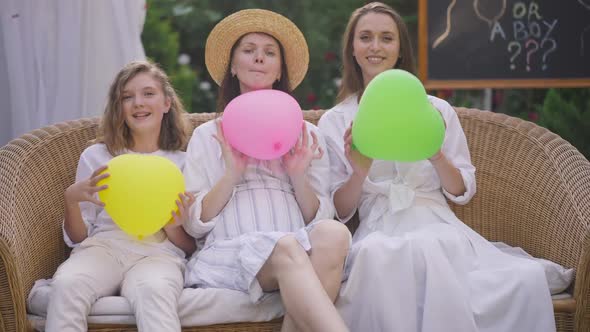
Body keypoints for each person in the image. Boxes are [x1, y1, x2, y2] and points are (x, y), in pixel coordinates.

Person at [318, 2, 556, 331]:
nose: (376, 47)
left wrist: (435, 153)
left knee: (521, 278)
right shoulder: (336, 121)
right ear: (352, 49)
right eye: (366, 37)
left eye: (387, 38)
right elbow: (340, 210)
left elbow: (461, 192)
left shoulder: (436, 111)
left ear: (400, 49)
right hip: (378, 226)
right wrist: (359, 169)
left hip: (436, 220)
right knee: (382, 255)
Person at [182, 9, 350, 332]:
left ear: (279, 71)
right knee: (286, 247)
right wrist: (231, 173)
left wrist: (298, 175)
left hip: (294, 244)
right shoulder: (208, 135)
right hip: (231, 252)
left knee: (335, 233)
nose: (259, 58)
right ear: (232, 67)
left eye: (269, 53)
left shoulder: (306, 134)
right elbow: (193, 223)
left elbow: (321, 217)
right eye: (248, 50)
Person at [45, 60, 196, 332]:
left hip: (158, 254)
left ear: (167, 103)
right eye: (127, 97)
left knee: (155, 292)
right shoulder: (98, 157)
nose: (138, 102)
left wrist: (173, 228)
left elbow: (190, 247)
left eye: (148, 93)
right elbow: (78, 238)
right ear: (120, 107)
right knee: (68, 284)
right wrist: (71, 200)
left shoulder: (184, 163)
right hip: (104, 248)